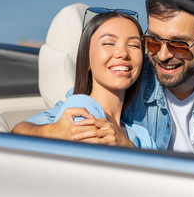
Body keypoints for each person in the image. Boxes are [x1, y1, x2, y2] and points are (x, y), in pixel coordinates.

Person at [14, 0, 194, 156]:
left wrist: (129, 148)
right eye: (152, 41)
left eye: (178, 44)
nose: (163, 55)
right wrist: (50, 132)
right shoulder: (127, 76)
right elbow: (28, 128)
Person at [13, 10, 156, 149]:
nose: (123, 53)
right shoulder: (82, 108)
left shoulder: (141, 135)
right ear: (86, 60)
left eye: (134, 45)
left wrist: (128, 145)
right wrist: (50, 131)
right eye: (108, 43)